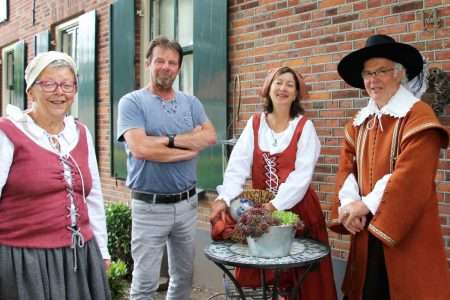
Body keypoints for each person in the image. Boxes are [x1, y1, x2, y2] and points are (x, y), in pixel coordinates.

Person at [329, 34, 450, 300]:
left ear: (399, 74)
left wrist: (365, 205)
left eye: (381, 71)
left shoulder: (418, 116)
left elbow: (411, 175)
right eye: (368, 74)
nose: (373, 80)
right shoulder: (359, 122)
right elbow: (346, 168)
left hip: (405, 229)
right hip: (363, 231)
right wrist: (349, 204)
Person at [209, 66, 337, 300]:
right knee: (263, 278)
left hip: (299, 210)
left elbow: (301, 176)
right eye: (278, 82)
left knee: (303, 282)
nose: (283, 88)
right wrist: (224, 197)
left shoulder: (304, 127)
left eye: (290, 84)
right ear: (268, 88)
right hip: (262, 211)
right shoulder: (255, 124)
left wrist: (275, 205)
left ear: (297, 93)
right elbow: (237, 165)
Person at [0, 51, 111, 299]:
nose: (59, 92)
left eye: (67, 84)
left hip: (80, 256)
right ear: (31, 91)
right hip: (25, 260)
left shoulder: (81, 133)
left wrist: (102, 251)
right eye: (48, 83)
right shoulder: (7, 133)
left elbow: (92, 198)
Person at [117, 36, 217, 300]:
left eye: (172, 62)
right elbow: (140, 148)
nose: (166, 67)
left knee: (183, 278)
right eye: (160, 60)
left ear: (179, 68)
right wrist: (185, 147)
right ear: (149, 63)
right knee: (145, 284)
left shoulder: (190, 103)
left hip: (187, 204)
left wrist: (165, 141)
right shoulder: (132, 102)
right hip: (149, 206)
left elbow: (209, 137)